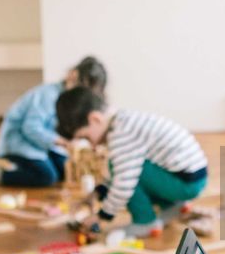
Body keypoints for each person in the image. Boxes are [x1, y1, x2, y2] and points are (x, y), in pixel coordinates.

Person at [55, 86, 208, 237]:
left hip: (186, 183)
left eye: (87, 137)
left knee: (127, 174)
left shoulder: (121, 135)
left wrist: (101, 216)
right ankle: (172, 206)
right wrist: (97, 193)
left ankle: (145, 222)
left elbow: (123, 184)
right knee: (122, 166)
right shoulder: (122, 120)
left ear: (95, 119)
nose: (93, 145)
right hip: (189, 176)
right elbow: (119, 170)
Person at [0, 56, 108, 188]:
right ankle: (1, 175)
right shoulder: (48, 95)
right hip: (19, 142)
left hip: (41, 143)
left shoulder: (69, 102)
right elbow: (31, 128)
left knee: (64, 169)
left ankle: (33, 165)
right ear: (73, 76)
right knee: (47, 176)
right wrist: (62, 142)